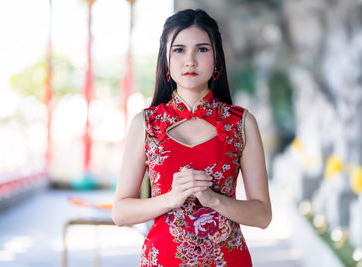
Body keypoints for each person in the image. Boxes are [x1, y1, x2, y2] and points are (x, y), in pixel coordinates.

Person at [112, 9, 272, 267]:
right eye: (179, 50)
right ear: (165, 59)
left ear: (217, 57)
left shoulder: (241, 123)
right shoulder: (146, 124)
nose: (190, 60)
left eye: (202, 49)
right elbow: (120, 213)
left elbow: (263, 215)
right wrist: (170, 198)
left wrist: (215, 200)